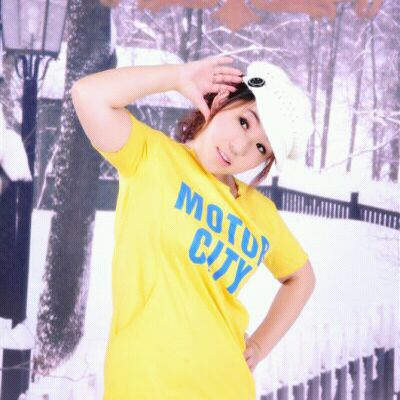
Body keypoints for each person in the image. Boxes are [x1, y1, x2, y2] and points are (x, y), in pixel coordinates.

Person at [71, 55, 316, 400]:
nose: (240, 147)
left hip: (226, 387)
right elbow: (88, 94)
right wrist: (178, 76)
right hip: (142, 386)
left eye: (261, 148)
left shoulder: (258, 212)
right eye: (244, 122)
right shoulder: (151, 157)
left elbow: (301, 278)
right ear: (222, 101)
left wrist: (259, 346)